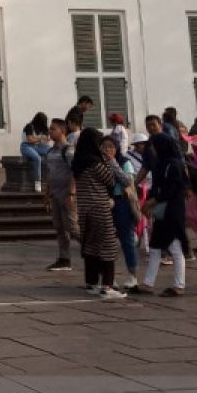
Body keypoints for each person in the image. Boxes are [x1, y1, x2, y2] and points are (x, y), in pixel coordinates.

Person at [71, 127, 125, 298]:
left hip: (85, 208)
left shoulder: (78, 161)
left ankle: (91, 282)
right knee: (108, 245)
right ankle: (107, 287)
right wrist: (109, 161)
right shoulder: (95, 162)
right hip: (99, 207)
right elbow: (110, 180)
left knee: (91, 247)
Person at [139, 130, 188, 296]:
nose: (151, 150)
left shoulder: (174, 164)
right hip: (163, 210)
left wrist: (152, 201)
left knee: (174, 246)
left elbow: (171, 189)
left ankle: (179, 285)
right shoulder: (161, 164)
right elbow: (157, 187)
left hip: (172, 210)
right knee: (155, 246)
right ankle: (147, 283)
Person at [102, 135, 140, 291]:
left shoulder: (124, 162)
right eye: (104, 147)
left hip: (122, 202)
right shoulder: (99, 164)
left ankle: (132, 275)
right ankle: (109, 277)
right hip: (105, 202)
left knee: (127, 240)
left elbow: (127, 181)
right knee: (107, 241)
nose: (107, 150)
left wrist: (112, 162)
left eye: (111, 147)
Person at [42, 118, 78, 271]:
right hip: (55, 194)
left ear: (62, 131)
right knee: (59, 227)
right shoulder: (51, 151)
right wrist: (47, 194)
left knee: (72, 227)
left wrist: (71, 192)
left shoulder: (69, 150)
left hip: (67, 194)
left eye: (53, 129)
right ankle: (64, 258)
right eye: (50, 129)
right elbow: (50, 174)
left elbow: (75, 172)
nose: (50, 132)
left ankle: (94, 249)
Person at [20, 112, 50, 193]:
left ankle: (52, 179)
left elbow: (46, 140)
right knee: (37, 158)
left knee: (52, 152)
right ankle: (37, 183)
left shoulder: (43, 129)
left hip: (38, 146)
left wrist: (46, 139)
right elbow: (30, 139)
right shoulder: (29, 126)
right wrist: (40, 139)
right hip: (26, 146)